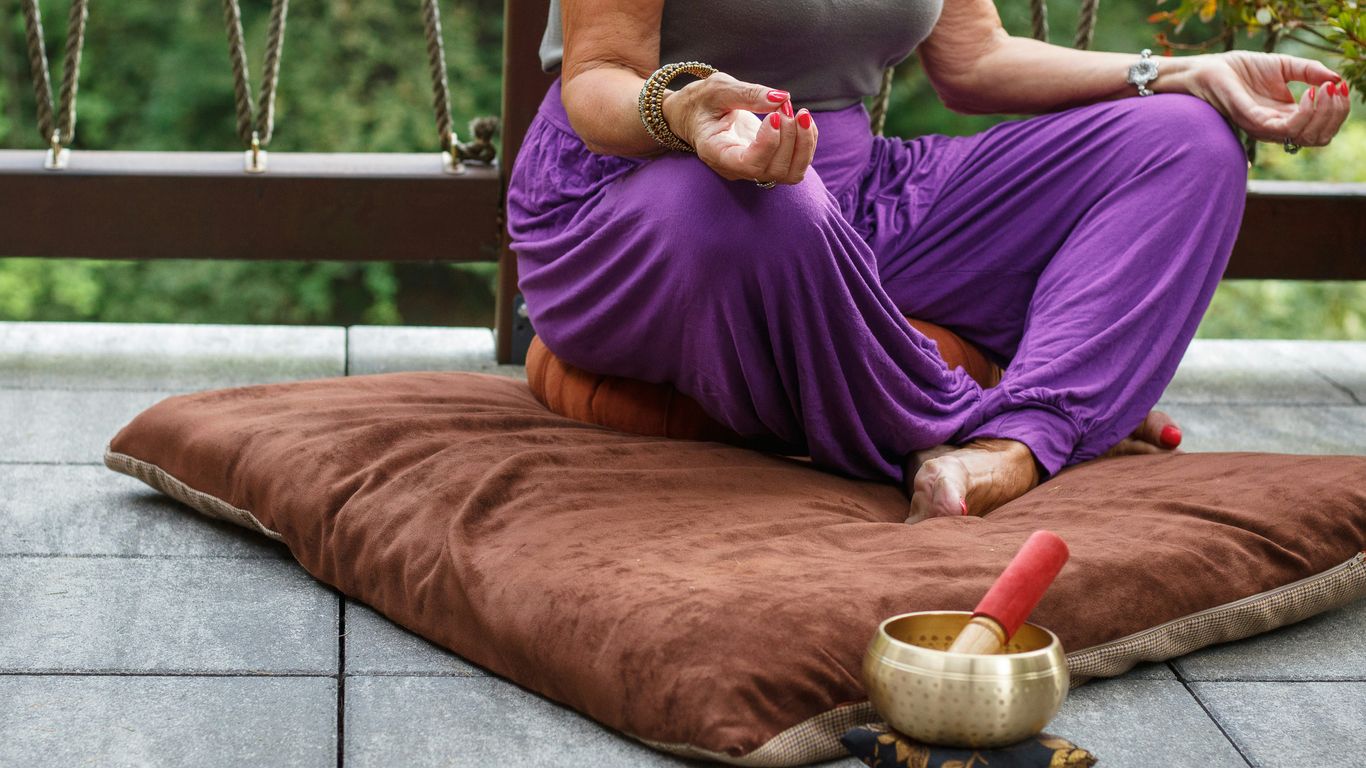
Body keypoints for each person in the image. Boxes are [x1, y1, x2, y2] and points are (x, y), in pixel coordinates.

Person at [507, 0, 1352, 521]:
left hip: (854, 192)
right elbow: (599, 79)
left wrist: (1179, 71)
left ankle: (1014, 445)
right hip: (640, 192)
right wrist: (686, 113)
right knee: (768, 207)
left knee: (1187, 139)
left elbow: (974, 59)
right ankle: (979, 417)